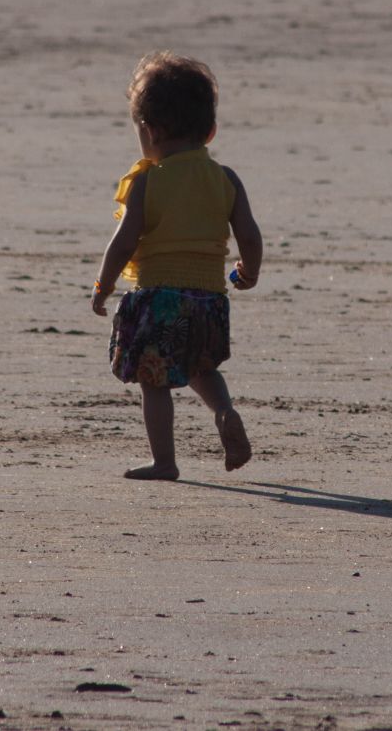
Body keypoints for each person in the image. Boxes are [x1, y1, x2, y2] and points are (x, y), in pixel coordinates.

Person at [90, 51, 263, 481]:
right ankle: (224, 412)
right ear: (210, 130)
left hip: (159, 296)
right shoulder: (225, 178)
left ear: (149, 130)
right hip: (209, 298)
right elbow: (250, 236)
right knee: (202, 366)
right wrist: (249, 271)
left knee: (155, 380)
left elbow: (124, 240)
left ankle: (165, 461)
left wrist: (103, 284)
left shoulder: (149, 179)